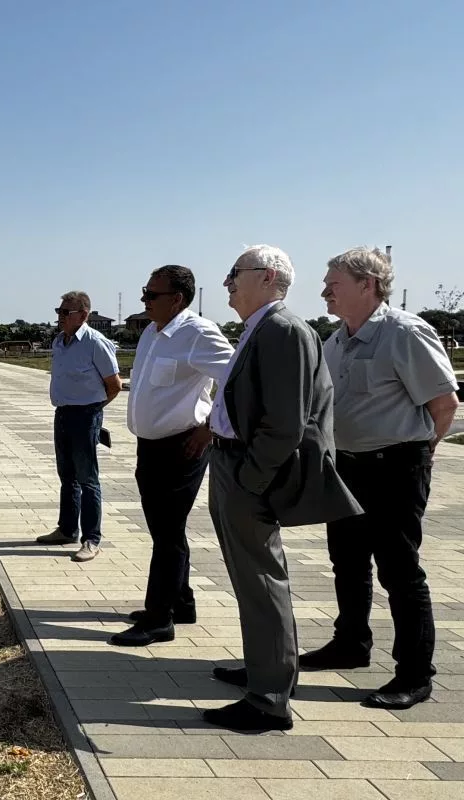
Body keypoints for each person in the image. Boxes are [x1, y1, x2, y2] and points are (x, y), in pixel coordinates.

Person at [201, 245, 362, 732]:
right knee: (251, 581)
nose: (228, 283)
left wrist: (250, 479)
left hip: (248, 474)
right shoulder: (261, 327)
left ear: (268, 277)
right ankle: (267, 670)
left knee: (261, 581)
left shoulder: (283, 330)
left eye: (235, 273)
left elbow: (286, 423)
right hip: (232, 465)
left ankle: (269, 699)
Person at [300, 247, 460, 709]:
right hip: (346, 468)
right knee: (347, 562)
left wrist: (420, 454)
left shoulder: (404, 333)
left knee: (399, 571)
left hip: (395, 468)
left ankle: (414, 674)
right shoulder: (335, 341)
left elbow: (444, 405)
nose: (325, 291)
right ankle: (351, 644)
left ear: (367, 284)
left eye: (334, 283)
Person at [109, 265, 234, 647]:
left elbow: (238, 377)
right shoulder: (153, 332)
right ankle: (181, 602)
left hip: (182, 447)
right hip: (151, 446)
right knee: (166, 530)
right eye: (144, 292)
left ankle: (158, 619)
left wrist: (210, 425)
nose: (144, 300)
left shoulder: (197, 333)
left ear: (177, 299)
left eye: (152, 295)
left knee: (166, 533)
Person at [35, 291, 122, 562]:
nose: (60, 317)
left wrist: (93, 411)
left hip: (86, 415)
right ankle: (67, 529)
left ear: (83, 315)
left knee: (87, 479)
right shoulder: (59, 342)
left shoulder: (95, 343)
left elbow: (114, 385)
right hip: (62, 413)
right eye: (58, 312)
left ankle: (91, 539)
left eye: (65, 313)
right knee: (67, 477)